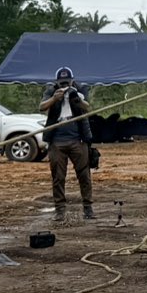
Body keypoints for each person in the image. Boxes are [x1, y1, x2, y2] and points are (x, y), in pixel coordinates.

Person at [42, 66, 96, 221]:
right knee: (58, 176)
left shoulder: (81, 89)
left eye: (67, 82)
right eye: (61, 82)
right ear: (57, 81)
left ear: (72, 80)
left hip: (77, 139)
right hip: (57, 140)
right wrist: (54, 99)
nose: (64, 85)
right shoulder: (51, 90)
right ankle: (59, 210)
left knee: (84, 175)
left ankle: (88, 208)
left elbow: (88, 107)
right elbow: (41, 107)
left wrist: (76, 98)